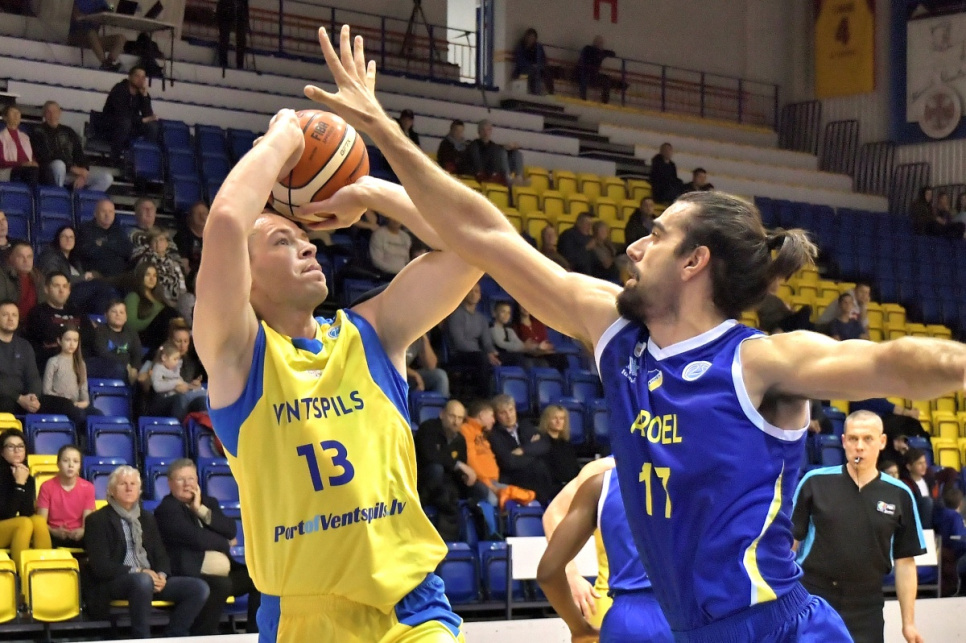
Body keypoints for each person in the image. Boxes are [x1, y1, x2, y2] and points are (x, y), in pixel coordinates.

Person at [309, 26, 966, 639]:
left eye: (656, 235)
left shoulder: (760, 363)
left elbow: (896, 363)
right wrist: (380, 156)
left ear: (694, 261)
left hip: (776, 625)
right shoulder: (614, 331)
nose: (633, 247)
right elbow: (484, 235)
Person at [193, 106, 481, 641]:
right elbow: (228, 222)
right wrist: (282, 137)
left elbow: (470, 249)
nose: (306, 244)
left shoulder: (371, 333)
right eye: (281, 241)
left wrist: (369, 191)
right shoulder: (238, 357)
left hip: (411, 609)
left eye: (303, 238)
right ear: (244, 278)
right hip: (303, 618)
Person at [792, 411, 925, 643]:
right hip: (815, 600)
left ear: (882, 441)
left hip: (868, 607)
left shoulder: (900, 494)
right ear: (843, 441)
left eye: (868, 439)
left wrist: (909, 623)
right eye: (853, 439)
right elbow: (788, 547)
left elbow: (905, 563)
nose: (859, 446)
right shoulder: (814, 482)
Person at [538, 463, 673, 643]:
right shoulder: (701, 468)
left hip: (624, 612)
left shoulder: (605, 477)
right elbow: (554, 513)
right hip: (687, 610)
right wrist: (572, 574)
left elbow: (547, 573)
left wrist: (579, 628)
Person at [83, 466, 209, 637]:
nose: (129, 488)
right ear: (111, 490)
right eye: (123, 484)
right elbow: (101, 566)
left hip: (149, 579)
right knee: (142, 581)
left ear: (139, 490)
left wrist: (162, 575)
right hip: (115, 581)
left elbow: (161, 554)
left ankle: (174, 635)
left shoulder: (147, 518)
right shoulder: (97, 520)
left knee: (198, 588)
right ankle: (142, 638)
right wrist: (139, 571)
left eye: (133, 484)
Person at [154, 458, 259, 635]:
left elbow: (231, 529)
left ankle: (254, 634)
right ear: (170, 483)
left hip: (222, 572)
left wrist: (200, 510)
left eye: (191, 478)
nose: (187, 484)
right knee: (221, 585)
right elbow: (197, 539)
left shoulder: (208, 502)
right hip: (190, 574)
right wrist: (225, 542)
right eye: (181, 479)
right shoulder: (167, 509)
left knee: (256, 578)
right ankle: (203, 634)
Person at [414, 400, 474, 541]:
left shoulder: (460, 440)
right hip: (422, 480)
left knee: (479, 489)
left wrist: (465, 476)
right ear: (442, 414)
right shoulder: (428, 428)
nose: (456, 422)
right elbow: (430, 456)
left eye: (460, 418)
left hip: (447, 484)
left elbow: (460, 468)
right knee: (437, 469)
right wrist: (458, 465)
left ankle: (478, 537)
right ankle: (419, 509)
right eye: (452, 416)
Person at [30, 101, 113, 192]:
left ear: (60, 113)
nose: (52, 115)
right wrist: (71, 168)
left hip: (72, 173)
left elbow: (79, 154)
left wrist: (83, 174)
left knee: (106, 178)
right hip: (51, 172)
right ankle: (58, 195)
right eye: (48, 112)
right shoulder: (37, 131)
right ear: (44, 114)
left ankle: (83, 199)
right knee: (59, 164)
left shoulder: (68, 131)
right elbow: (44, 156)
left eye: (55, 111)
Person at [489, 394, 554, 505]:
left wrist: (523, 450)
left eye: (511, 410)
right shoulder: (494, 435)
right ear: (496, 416)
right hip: (514, 479)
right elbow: (509, 462)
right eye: (503, 413)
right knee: (538, 464)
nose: (509, 416)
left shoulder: (525, 425)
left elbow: (544, 444)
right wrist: (533, 450)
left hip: (537, 479)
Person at [0, 428, 52, 566]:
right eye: (11, 447)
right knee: (24, 523)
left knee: (38, 521)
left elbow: (27, 512)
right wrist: (19, 485)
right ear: (2, 452)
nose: (16, 451)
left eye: (20, 446)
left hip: (11, 526)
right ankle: (21, 572)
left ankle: (44, 568)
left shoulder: (26, 476)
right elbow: (6, 514)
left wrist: (23, 483)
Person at [22, 272, 93, 372]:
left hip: (79, 360)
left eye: (65, 286)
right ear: (46, 289)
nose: (61, 290)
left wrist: (60, 343)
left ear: (69, 290)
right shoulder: (37, 312)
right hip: (50, 363)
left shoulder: (77, 311)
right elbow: (45, 338)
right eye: (56, 286)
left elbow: (90, 336)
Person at [445, 282, 499, 398]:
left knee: (510, 358)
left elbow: (487, 342)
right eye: (471, 291)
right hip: (459, 354)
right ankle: (484, 398)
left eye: (476, 291)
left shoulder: (481, 318)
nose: (474, 294)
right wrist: (484, 353)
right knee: (483, 358)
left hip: (478, 354)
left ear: (480, 295)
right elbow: (459, 343)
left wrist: (492, 352)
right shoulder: (456, 315)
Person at [36, 444, 95, 549]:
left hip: (79, 535)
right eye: (66, 460)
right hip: (53, 534)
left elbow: (87, 522)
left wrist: (82, 530)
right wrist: (54, 531)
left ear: (80, 466)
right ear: (58, 464)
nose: (71, 465)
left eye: (75, 461)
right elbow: (41, 522)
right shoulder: (46, 487)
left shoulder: (88, 487)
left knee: (97, 536)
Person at [131, 227, 192, 322]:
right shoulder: (146, 261)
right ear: (150, 244)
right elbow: (150, 287)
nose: (158, 243)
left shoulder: (174, 263)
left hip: (176, 302)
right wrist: (169, 303)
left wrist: (180, 302)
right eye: (154, 240)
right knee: (172, 313)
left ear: (167, 244)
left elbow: (182, 287)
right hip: (158, 300)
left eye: (161, 240)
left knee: (189, 299)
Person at [41, 326, 97, 429]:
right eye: (68, 340)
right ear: (59, 341)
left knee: (97, 415)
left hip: (76, 405)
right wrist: (67, 402)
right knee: (78, 415)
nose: (72, 344)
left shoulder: (81, 364)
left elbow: (83, 390)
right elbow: (46, 390)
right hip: (59, 404)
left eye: (75, 340)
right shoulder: (53, 361)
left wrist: (83, 403)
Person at [102, 66, 160, 164]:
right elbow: (121, 114)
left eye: (143, 77)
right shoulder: (119, 89)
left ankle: (144, 161)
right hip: (111, 124)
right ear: (130, 77)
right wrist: (143, 120)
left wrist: (145, 96)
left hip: (131, 124)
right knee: (125, 123)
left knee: (153, 126)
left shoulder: (141, 92)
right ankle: (114, 159)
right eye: (137, 76)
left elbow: (148, 114)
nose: (140, 80)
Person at [124, 262, 182, 352]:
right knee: (167, 312)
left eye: (155, 275)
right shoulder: (133, 296)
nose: (152, 279)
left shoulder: (160, 298)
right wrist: (157, 314)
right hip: (143, 337)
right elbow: (132, 324)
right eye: (148, 275)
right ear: (141, 276)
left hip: (162, 335)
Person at [0, 300, 42, 416]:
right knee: (8, 403)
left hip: (23, 398)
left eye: (14, 315)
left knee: (62, 406)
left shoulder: (25, 345)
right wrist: (19, 398)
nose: (10, 319)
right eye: (5, 315)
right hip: (5, 399)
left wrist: (33, 397)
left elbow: (33, 377)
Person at [76, 199, 135, 279]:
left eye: (110, 212)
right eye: (103, 211)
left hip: (119, 276)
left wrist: (103, 244)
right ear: (95, 213)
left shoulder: (119, 230)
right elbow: (89, 252)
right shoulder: (85, 230)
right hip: (95, 276)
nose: (107, 215)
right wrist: (114, 247)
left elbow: (127, 251)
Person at [148, 341, 205, 421]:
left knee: (202, 397)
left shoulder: (174, 370)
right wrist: (175, 384)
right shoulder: (158, 368)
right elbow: (157, 386)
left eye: (178, 359)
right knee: (180, 399)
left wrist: (191, 386)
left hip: (178, 399)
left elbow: (180, 383)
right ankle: (178, 424)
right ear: (164, 358)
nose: (177, 362)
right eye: (175, 359)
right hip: (161, 402)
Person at [91, 299, 143, 384]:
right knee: (120, 369)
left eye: (121, 312)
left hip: (129, 368)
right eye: (114, 311)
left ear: (126, 317)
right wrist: (126, 364)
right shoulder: (99, 331)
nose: (118, 315)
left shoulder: (131, 332)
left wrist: (134, 368)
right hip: (108, 366)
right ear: (106, 315)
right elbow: (102, 353)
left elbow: (137, 353)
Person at [536, 404, 580, 498]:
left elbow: (574, 468)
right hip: (552, 490)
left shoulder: (566, 444)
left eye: (562, 418)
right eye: (554, 418)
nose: (558, 421)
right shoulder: (540, 442)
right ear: (547, 420)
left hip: (570, 487)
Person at [491, 300, 551, 367]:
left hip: (511, 355)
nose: (506, 315)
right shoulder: (492, 329)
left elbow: (518, 342)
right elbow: (502, 344)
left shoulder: (509, 330)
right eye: (503, 312)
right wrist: (524, 347)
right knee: (525, 361)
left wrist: (535, 347)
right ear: (494, 313)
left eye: (508, 313)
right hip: (500, 356)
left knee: (543, 363)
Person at [68, 0, 125, 71]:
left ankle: (109, 62)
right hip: (77, 36)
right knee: (91, 32)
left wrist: (111, 7)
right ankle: (104, 63)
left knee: (120, 38)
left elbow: (109, 9)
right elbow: (76, 16)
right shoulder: (77, 1)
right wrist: (90, 18)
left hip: (94, 39)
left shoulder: (100, 1)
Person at [466, 120, 523, 185]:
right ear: (479, 132)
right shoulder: (474, 145)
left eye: (488, 130)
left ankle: (519, 178)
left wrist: (509, 148)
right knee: (502, 152)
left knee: (516, 153)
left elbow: (496, 150)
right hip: (488, 171)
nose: (486, 133)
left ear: (491, 131)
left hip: (496, 168)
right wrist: (504, 148)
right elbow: (478, 162)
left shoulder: (493, 145)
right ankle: (508, 179)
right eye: (483, 130)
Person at [0, 241, 45, 319]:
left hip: (34, 323)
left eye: (29, 257)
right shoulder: (2, 276)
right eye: (21, 256)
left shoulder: (39, 277)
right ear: (11, 258)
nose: (26, 261)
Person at [0, 105, 40, 187]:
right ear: (5, 117)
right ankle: (32, 194)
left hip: (27, 168)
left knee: (45, 170)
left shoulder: (25, 137)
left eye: (18, 113)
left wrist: (33, 162)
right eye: (13, 113)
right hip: (9, 169)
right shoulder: (1, 137)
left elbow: (31, 156)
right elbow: (1, 162)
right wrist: (21, 164)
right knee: (31, 171)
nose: (16, 115)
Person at [900, 447, 936, 528]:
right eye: (920, 463)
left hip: (931, 515)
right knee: (927, 502)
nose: (924, 466)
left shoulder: (929, 480)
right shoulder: (905, 484)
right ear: (909, 467)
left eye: (925, 462)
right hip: (914, 519)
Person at [406, 333, 448, 397]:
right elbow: (390, 365)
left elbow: (431, 366)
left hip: (408, 376)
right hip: (392, 376)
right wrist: (414, 374)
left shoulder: (417, 336)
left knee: (440, 376)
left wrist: (424, 338)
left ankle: (440, 403)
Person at [576, 36, 616, 103]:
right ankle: (583, 98)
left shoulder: (601, 52)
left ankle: (605, 102)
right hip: (584, 72)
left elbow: (613, 54)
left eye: (601, 43)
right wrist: (601, 53)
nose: (600, 44)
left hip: (594, 76)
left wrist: (602, 52)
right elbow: (584, 57)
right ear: (594, 42)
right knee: (584, 77)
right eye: (599, 42)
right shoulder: (588, 49)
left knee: (606, 81)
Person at [512, 28, 552, 95]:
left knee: (547, 72)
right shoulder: (520, 47)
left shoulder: (538, 47)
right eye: (530, 37)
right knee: (533, 72)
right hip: (522, 71)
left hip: (537, 69)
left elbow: (543, 60)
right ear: (526, 37)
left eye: (533, 37)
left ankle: (550, 93)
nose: (531, 39)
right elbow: (520, 61)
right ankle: (535, 93)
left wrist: (539, 66)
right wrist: (531, 65)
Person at [216, 0, 250, 71]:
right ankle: (223, 62)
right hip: (225, 10)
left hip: (240, 10)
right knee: (224, 37)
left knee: (241, 38)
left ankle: (239, 64)